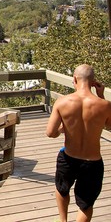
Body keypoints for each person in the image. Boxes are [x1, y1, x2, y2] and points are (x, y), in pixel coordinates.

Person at [46, 64, 111, 222]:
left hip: (68, 158)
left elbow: (50, 133)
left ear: (74, 79)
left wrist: (62, 130)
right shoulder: (105, 105)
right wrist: (101, 95)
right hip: (93, 162)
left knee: (62, 190)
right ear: (93, 82)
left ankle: (63, 221)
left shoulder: (62, 102)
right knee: (86, 205)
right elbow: (109, 125)